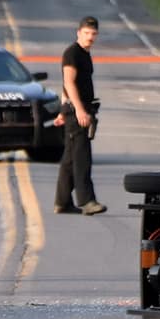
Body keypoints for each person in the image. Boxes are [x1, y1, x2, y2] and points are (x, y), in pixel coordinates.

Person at [53, 16, 107, 215]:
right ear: (78, 33)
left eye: (93, 34)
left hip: (74, 109)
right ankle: (87, 201)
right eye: (86, 33)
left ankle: (62, 202)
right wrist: (79, 110)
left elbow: (66, 88)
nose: (90, 37)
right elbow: (68, 82)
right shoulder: (72, 53)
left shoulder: (84, 53)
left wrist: (62, 111)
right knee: (82, 157)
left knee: (69, 158)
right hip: (78, 111)